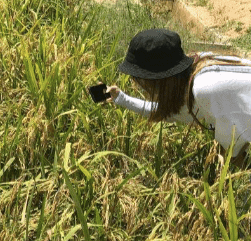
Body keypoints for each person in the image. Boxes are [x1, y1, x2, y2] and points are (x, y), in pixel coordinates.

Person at [106, 28, 251, 163]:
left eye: (140, 79)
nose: (140, 84)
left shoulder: (205, 89)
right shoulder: (194, 70)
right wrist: (121, 98)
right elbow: (171, 112)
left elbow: (235, 150)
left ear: (156, 79)